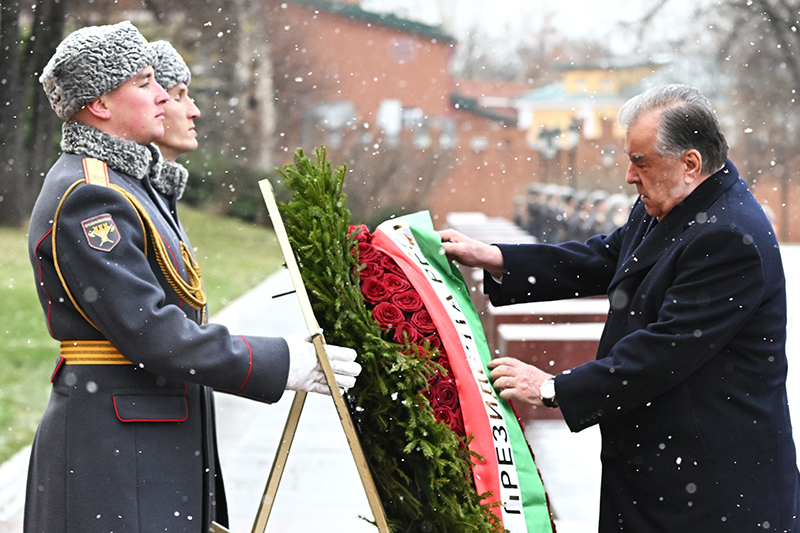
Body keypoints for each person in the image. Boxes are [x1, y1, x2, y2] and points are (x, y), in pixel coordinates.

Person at [26, 21, 360, 532]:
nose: (163, 96)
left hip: (143, 436)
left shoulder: (124, 185)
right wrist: (279, 361)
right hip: (116, 450)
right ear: (99, 104)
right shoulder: (90, 196)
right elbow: (152, 332)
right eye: (144, 83)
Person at [440, 84, 800, 532]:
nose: (629, 176)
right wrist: (498, 258)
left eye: (640, 161)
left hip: (713, 490)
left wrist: (554, 388)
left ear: (690, 163)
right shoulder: (674, 200)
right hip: (665, 474)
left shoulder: (729, 237)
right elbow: (609, 258)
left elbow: (665, 352)